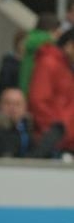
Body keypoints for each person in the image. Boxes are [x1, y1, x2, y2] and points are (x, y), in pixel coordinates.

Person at [28, 27, 74, 155]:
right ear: (70, 45)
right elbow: (38, 101)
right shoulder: (49, 63)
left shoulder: (66, 66)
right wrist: (56, 131)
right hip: (54, 141)